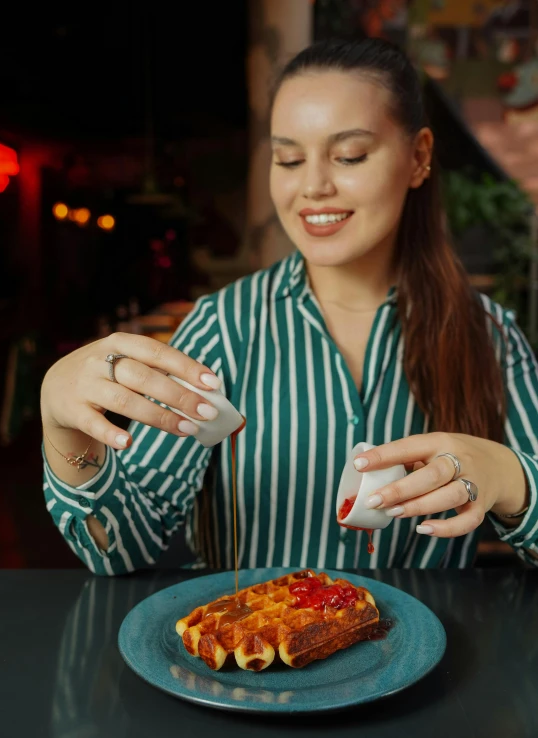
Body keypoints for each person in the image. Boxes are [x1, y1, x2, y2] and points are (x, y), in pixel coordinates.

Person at [41, 37, 538, 575]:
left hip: (424, 654)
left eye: (349, 155)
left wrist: (510, 477)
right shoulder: (223, 329)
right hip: (257, 647)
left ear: (418, 156)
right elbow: (123, 549)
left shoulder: (488, 334)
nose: (313, 186)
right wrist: (65, 431)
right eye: (289, 158)